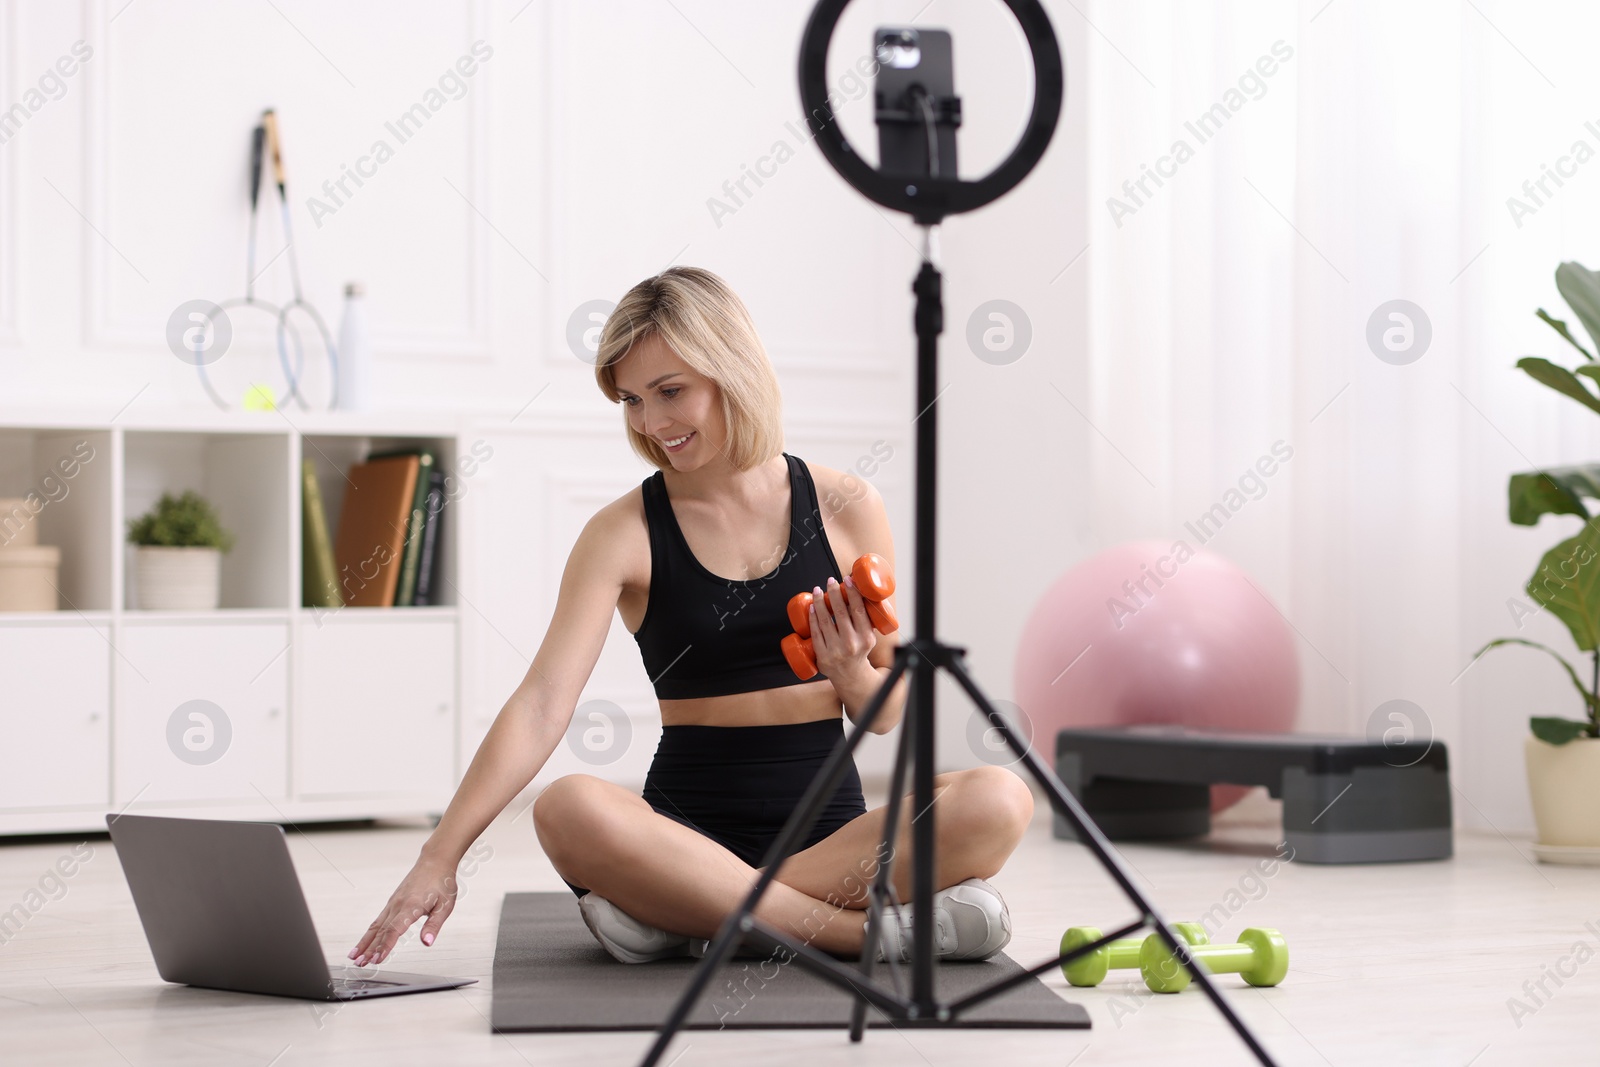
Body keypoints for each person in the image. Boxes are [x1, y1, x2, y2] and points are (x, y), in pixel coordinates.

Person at [350, 266, 1035, 968]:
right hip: (679, 832)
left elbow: (886, 712)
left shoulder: (846, 504)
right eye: (632, 400)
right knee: (565, 807)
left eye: (670, 392)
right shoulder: (621, 533)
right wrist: (440, 855)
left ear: (731, 370)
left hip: (831, 839)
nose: (651, 423)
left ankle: (687, 914)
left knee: (999, 797)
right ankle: (855, 934)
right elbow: (542, 704)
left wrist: (849, 672)